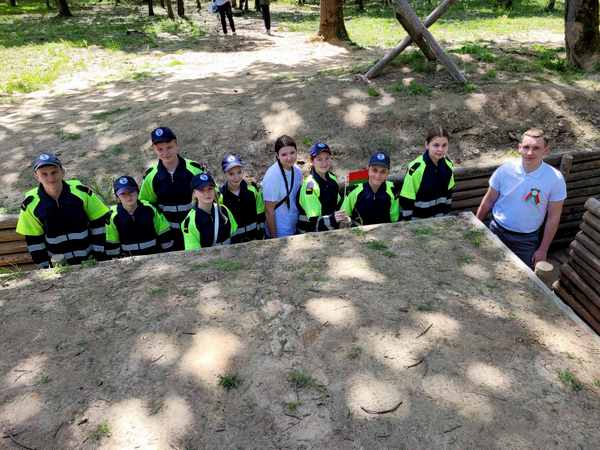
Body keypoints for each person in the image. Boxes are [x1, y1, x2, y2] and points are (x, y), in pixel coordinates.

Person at [476, 129, 567, 268]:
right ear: (519, 148)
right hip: (496, 230)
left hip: (526, 240)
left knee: (522, 276)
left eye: (536, 148)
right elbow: (488, 200)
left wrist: (543, 250)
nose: (530, 153)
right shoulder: (505, 170)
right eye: (526, 147)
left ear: (546, 150)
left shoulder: (555, 179)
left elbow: (553, 217)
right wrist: (476, 225)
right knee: (487, 266)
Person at [16, 153, 110, 268]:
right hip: (59, 266)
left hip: (90, 260)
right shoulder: (30, 203)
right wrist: (44, 267)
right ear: (36, 176)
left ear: (62, 171)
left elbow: (99, 222)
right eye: (44, 174)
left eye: (54, 172)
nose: (50, 178)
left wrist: (98, 254)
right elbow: (33, 239)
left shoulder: (81, 192)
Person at [139, 127, 206, 251]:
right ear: (154, 149)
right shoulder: (151, 176)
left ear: (176, 145)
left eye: (169, 147)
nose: (165, 153)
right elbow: (146, 205)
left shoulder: (194, 170)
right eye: (160, 149)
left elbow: (211, 195)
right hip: (167, 234)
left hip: (195, 229)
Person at [105, 176, 174, 258]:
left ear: (137, 191)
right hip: (129, 260)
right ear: (117, 196)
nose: (128, 196)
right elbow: (112, 243)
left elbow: (164, 232)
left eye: (131, 191)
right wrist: (116, 261)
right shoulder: (112, 215)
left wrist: (167, 256)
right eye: (123, 194)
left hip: (154, 256)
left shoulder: (150, 208)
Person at [399, 127, 455, 220]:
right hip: (419, 223)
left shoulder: (449, 165)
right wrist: (408, 225)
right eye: (436, 145)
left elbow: (448, 196)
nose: (440, 149)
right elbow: (406, 200)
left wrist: (446, 219)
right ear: (427, 145)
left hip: (440, 222)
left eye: (444, 145)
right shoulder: (416, 168)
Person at [296, 142, 348, 233]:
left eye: (327, 158)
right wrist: (333, 219)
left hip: (330, 228)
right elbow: (313, 221)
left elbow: (337, 203)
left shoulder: (332, 177)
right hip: (309, 233)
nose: (324, 163)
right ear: (312, 161)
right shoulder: (310, 186)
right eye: (319, 159)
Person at [341, 151, 400, 226]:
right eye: (374, 170)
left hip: (384, 230)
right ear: (368, 170)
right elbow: (343, 215)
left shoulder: (392, 190)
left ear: (388, 173)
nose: (378, 175)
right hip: (358, 230)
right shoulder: (354, 189)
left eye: (383, 171)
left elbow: (394, 220)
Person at [182, 173, 238, 250]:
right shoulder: (189, 222)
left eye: (210, 188)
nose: (207, 193)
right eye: (201, 190)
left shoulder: (224, 210)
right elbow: (193, 253)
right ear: (194, 193)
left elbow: (235, 236)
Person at [262, 135, 303, 239]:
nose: (289, 158)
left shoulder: (298, 171)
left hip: (295, 226)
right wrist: (274, 238)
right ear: (277, 156)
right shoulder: (272, 176)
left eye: (292, 153)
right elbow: (269, 211)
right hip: (280, 232)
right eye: (284, 154)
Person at [219, 154, 265, 243]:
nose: (236, 177)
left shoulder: (253, 189)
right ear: (224, 174)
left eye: (239, 172)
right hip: (234, 245)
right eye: (231, 174)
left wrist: (261, 235)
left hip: (255, 240)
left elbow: (260, 214)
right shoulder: (221, 196)